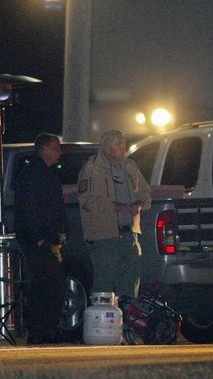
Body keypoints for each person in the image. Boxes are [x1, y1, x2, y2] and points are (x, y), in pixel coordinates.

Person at [77, 130, 151, 298]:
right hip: (104, 238)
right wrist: (117, 207)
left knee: (130, 284)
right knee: (104, 285)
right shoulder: (91, 170)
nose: (124, 149)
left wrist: (138, 204)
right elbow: (87, 201)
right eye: (119, 146)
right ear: (107, 149)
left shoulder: (130, 167)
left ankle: (127, 319)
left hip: (130, 235)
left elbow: (145, 193)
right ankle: (102, 322)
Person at [14, 133, 67, 344]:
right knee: (48, 284)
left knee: (50, 284)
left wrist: (61, 234)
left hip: (49, 238)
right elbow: (29, 208)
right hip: (39, 240)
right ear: (43, 149)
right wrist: (38, 238)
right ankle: (41, 329)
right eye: (56, 148)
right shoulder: (32, 174)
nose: (59, 153)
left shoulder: (46, 173)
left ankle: (46, 328)